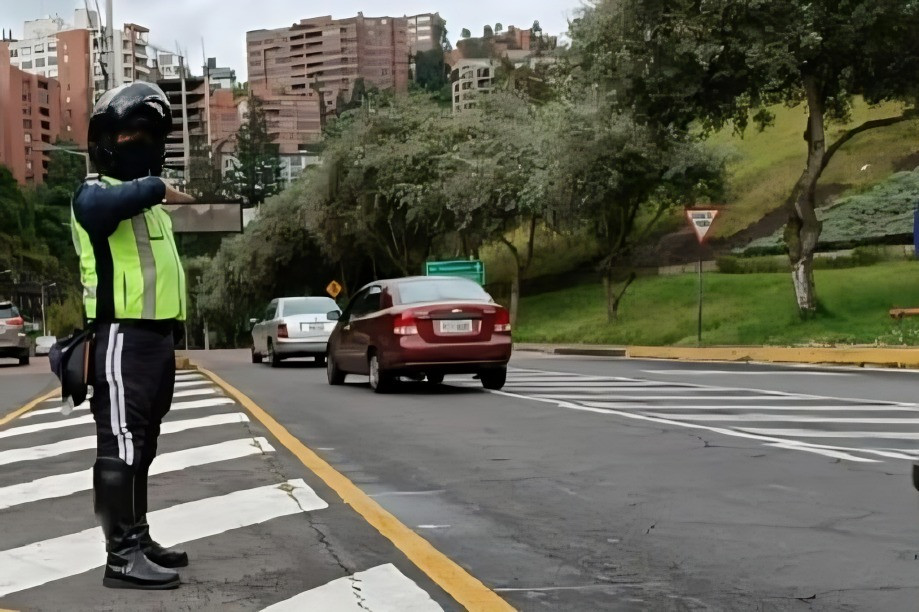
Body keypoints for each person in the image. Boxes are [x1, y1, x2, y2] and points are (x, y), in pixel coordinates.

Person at [72, 82, 195, 590]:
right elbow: (103, 208)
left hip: (155, 342)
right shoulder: (94, 194)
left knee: (142, 445)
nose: (139, 142)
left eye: (147, 134)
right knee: (120, 444)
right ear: (105, 140)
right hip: (120, 337)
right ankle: (120, 557)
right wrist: (158, 187)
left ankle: (138, 537)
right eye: (129, 134)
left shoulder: (147, 206)